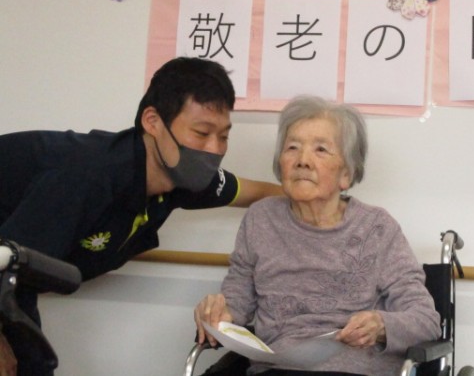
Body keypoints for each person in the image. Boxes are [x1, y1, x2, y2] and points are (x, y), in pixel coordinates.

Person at [0, 57, 282, 376]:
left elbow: (255, 192)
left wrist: (315, 195)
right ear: (152, 121)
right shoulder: (87, 176)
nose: (213, 149)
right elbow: (7, 265)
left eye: (224, 136)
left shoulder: (182, 177)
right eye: (202, 132)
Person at [195, 95, 441, 376]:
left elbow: (426, 321)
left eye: (321, 150)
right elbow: (237, 302)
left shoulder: (376, 228)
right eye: (292, 148)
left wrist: (381, 326)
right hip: (277, 369)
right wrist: (218, 312)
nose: (302, 161)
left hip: (354, 371)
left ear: (346, 173)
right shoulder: (260, 220)